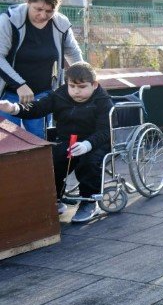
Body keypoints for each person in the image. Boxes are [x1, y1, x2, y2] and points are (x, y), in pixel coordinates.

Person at [0, 62, 112, 223]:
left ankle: (89, 202)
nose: (75, 91)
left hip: (96, 142)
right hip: (68, 140)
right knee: (53, 160)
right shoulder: (60, 95)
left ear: (94, 85)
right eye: (72, 86)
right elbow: (37, 108)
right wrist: (13, 108)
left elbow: (105, 131)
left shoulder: (103, 100)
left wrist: (87, 144)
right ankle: (55, 199)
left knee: (88, 163)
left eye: (81, 87)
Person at [0, 0, 82, 139]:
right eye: (38, 9)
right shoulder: (9, 21)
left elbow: (73, 52)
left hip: (42, 96)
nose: (43, 15)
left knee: (39, 140)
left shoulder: (61, 24)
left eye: (49, 11)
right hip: (8, 94)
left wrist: (84, 76)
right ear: (28, 2)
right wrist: (20, 85)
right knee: (7, 140)